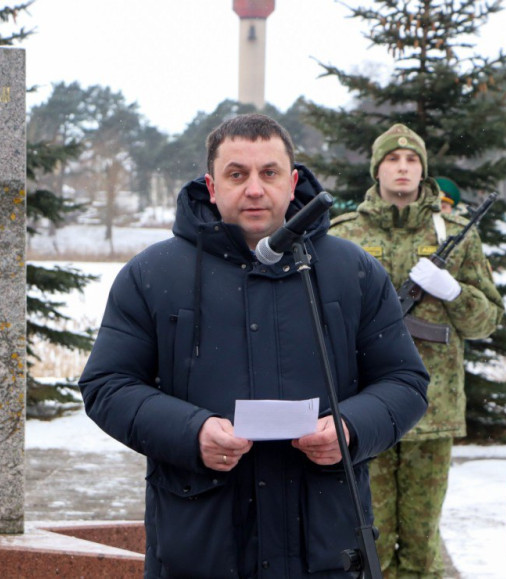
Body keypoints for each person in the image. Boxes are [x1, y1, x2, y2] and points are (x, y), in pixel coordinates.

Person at [78, 114, 430, 578]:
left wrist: (349, 429)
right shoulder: (152, 275)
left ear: (293, 180)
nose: (254, 189)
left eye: (269, 173)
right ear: (211, 184)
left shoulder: (353, 272)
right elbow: (107, 385)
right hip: (200, 546)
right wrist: (193, 432)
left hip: (326, 546)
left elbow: (405, 381)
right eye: (237, 174)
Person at [330, 124, 504, 578]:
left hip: (433, 407)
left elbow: (486, 321)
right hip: (365, 408)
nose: (402, 168)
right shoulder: (344, 235)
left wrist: (453, 292)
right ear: (377, 169)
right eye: (392, 160)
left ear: (423, 170)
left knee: (423, 544)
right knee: (370, 536)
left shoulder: (458, 234)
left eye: (411, 161)